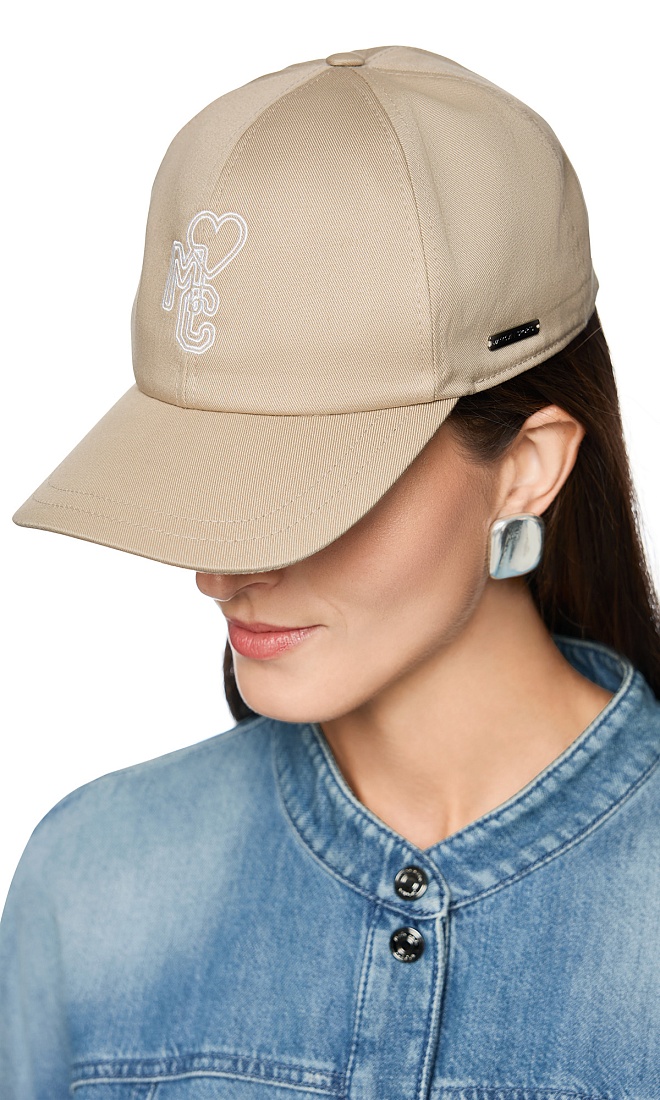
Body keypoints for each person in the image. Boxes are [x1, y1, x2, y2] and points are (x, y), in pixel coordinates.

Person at [2, 44, 659, 1099]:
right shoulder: (91, 886)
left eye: (307, 485)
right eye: (201, 473)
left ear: (527, 467)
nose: (223, 570)